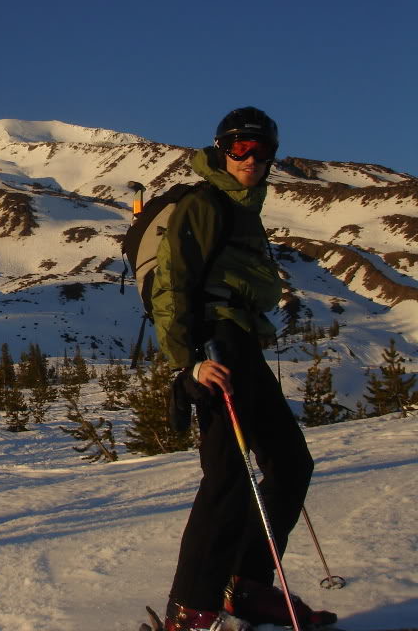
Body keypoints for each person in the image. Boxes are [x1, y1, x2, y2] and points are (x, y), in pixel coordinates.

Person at [152, 108, 336, 631]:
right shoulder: (204, 204)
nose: (250, 159)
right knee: (228, 478)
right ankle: (189, 611)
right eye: (239, 147)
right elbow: (172, 286)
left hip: (243, 343)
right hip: (217, 345)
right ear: (220, 149)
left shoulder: (242, 209)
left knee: (290, 463)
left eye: (260, 149)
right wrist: (189, 365)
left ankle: (246, 587)